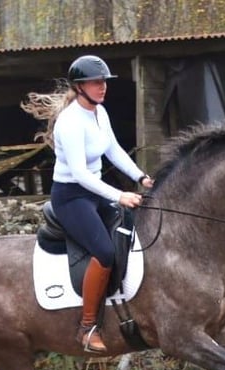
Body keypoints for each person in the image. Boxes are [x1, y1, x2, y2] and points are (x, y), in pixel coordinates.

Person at [22, 55, 154, 353]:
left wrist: (140, 176)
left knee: (129, 233)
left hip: (94, 193)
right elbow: (81, 174)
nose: (102, 87)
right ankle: (87, 326)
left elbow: (114, 150)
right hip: (71, 196)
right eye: (96, 82)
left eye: (104, 82)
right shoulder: (69, 122)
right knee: (105, 252)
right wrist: (119, 195)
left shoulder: (99, 113)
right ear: (79, 87)